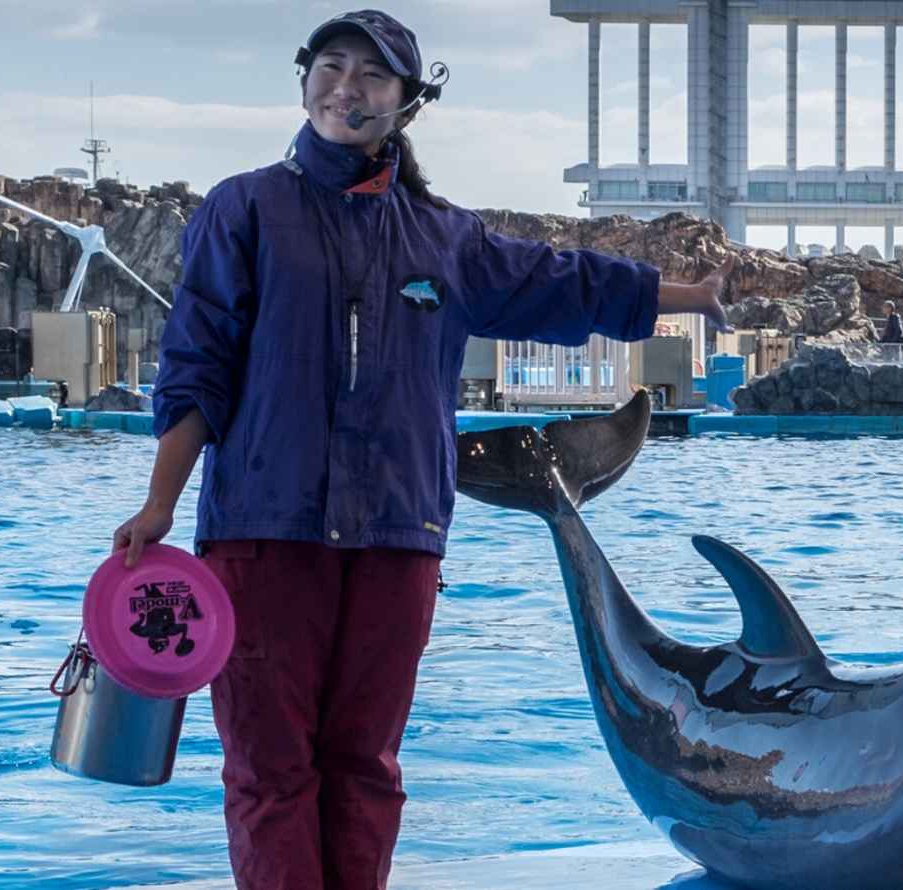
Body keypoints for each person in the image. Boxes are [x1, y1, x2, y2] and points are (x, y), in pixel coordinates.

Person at [109, 10, 733, 890]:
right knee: (270, 767)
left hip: (398, 536)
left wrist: (690, 296)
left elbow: (558, 281)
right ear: (303, 80)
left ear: (407, 104)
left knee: (366, 765)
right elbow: (195, 368)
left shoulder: (445, 236)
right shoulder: (243, 208)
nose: (347, 86)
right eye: (331, 66)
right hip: (263, 531)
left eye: (372, 75)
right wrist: (161, 504)